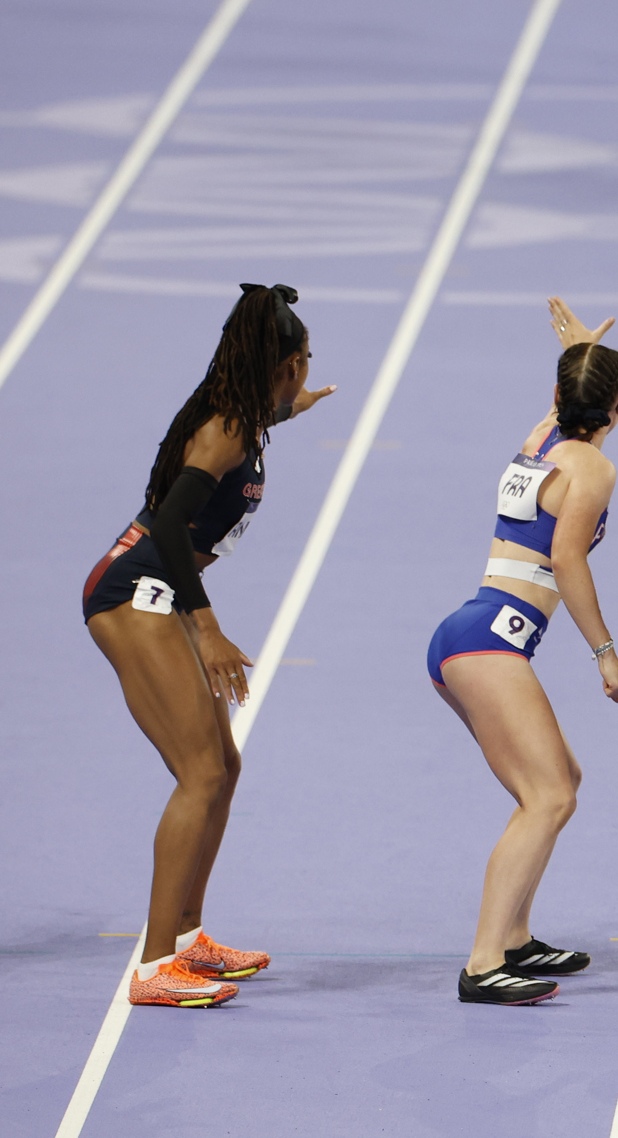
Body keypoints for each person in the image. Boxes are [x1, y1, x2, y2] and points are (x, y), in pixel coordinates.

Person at [82, 284, 334, 1007]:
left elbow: (256, 429)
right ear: (281, 361)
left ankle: (190, 939)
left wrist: (296, 407)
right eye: (303, 362)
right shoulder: (226, 427)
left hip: (160, 592)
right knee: (199, 772)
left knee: (224, 763)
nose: (307, 369)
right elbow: (168, 530)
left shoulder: (250, 413)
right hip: (134, 591)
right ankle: (154, 964)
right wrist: (208, 626)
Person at [426, 300, 618, 1006]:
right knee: (547, 795)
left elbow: (560, 407)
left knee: (555, 782)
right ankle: (485, 961)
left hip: (469, 631)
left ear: (555, 397)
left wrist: (577, 353)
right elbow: (568, 558)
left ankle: (514, 936)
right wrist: (605, 652)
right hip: (489, 644)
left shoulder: (537, 443)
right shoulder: (593, 469)